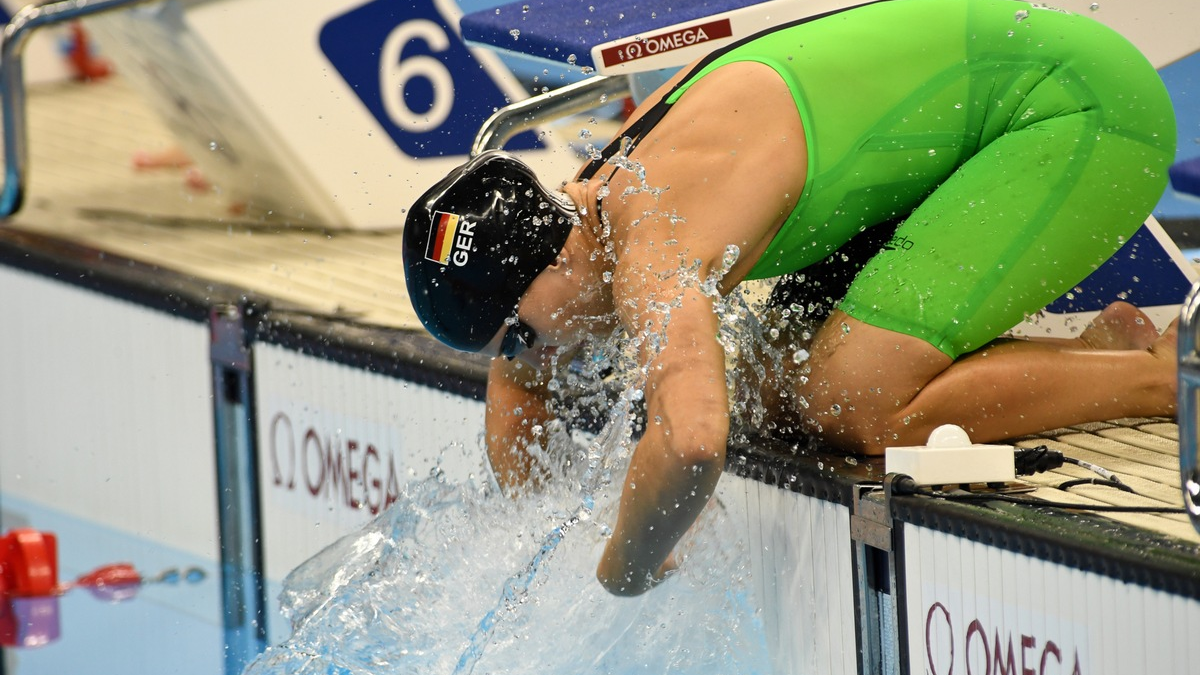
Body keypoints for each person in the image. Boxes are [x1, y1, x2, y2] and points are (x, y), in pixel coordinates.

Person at [403, 0, 1178, 596]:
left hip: (1083, 113)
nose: (525, 356)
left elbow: (692, 442)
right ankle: (1091, 358)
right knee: (769, 391)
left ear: (545, 268)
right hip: (963, 144)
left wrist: (619, 569)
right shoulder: (586, 216)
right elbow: (520, 385)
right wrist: (539, 540)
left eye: (513, 334)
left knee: (853, 401)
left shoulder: (652, 239)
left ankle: (1163, 375)